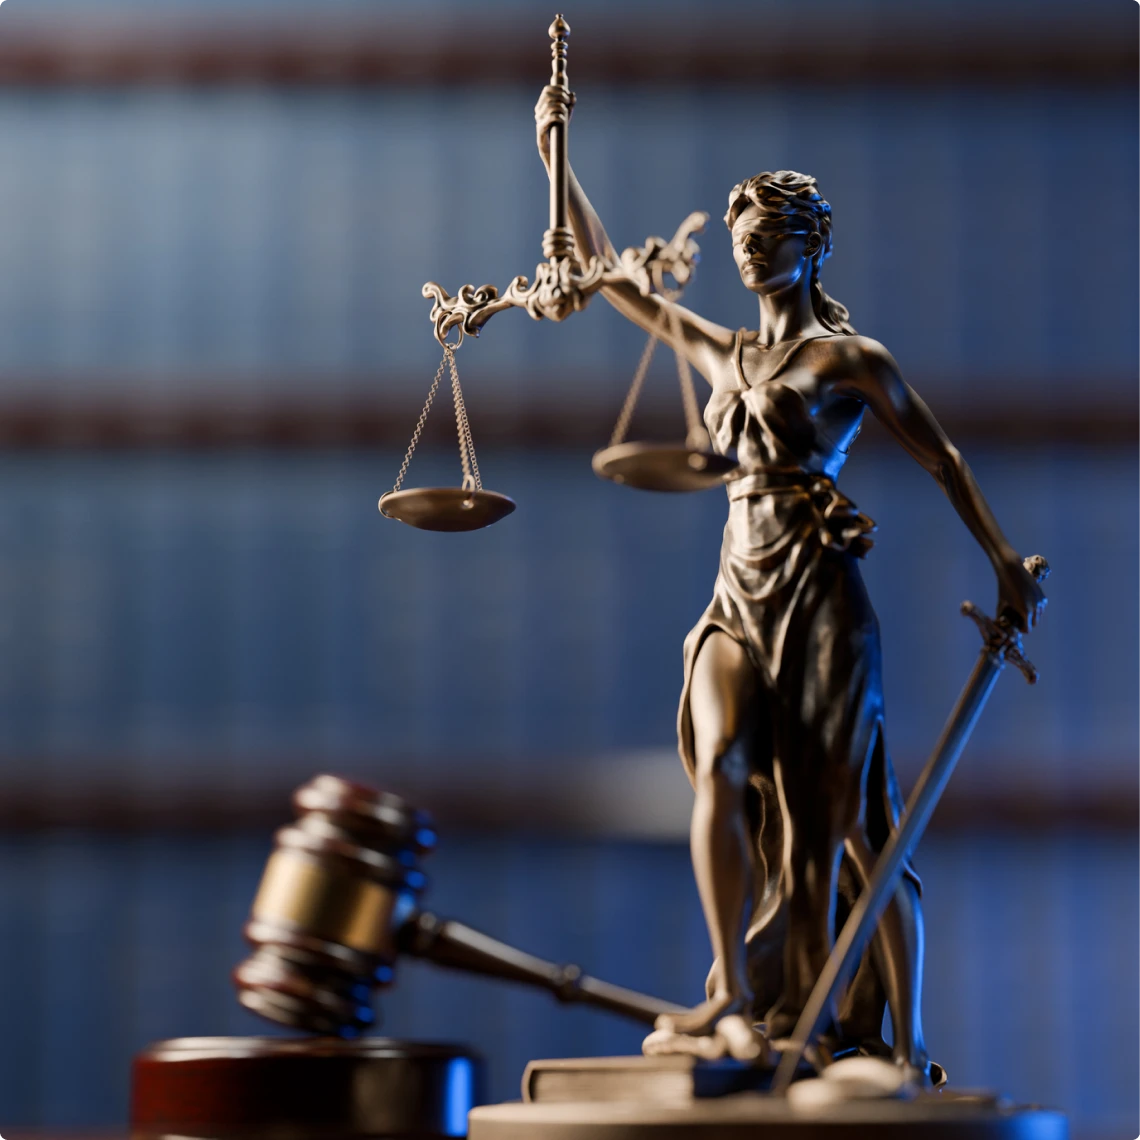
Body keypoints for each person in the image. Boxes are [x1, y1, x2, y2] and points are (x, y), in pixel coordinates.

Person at [536, 88, 1045, 1080]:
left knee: (857, 825)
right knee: (720, 762)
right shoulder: (720, 354)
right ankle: (731, 985)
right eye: (741, 239)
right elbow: (614, 285)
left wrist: (1004, 562)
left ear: (812, 245)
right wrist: (554, 154)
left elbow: (943, 461)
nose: (751, 253)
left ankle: (911, 1038)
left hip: (820, 598)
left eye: (769, 235)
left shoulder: (851, 360)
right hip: (738, 583)